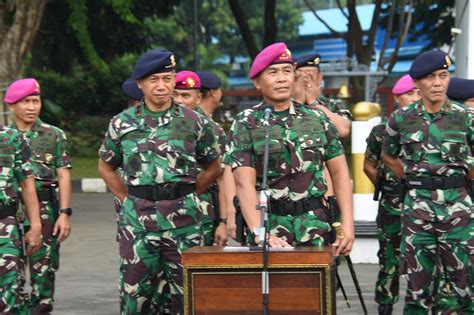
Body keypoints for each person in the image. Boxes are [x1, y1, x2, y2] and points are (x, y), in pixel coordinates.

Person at [98, 49, 221, 314]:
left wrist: (191, 192)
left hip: (184, 223)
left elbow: (213, 165)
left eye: (167, 78)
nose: (161, 86)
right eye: (153, 80)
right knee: (136, 297)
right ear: (140, 84)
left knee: (187, 296)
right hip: (138, 223)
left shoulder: (194, 122)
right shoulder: (122, 123)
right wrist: (126, 198)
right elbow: (106, 166)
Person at [224, 42, 354, 254]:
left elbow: (339, 172)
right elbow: (243, 183)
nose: (282, 78)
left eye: (287, 71)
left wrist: (347, 226)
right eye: (273, 72)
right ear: (257, 82)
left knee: (319, 286)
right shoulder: (246, 123)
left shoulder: (318, 118)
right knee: (274, 287)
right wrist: (259, 230)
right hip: (271, 224)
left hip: (316, 225)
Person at [383, 50, 473, 314]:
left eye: (443, 76)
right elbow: (388, 155)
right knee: (418, 289)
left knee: (465, 286)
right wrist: (412, 178)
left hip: (459, 212)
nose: (437, 83)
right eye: (431, 77)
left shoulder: (466, 117)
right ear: (418, 84)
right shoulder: (401, 119)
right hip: (417, 212)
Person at [6, 78, 72, 314]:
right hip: (12, 213)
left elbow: (63, 175)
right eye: (26, 102)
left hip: (44, 210)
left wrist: (64, 213)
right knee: (10, 277)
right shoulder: (4, 137)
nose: (32, 107)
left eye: (36, 101)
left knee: (43, 275)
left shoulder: (53, 135)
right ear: (12, 106)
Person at [363, 74, 420, 315]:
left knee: (422, 257)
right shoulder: (381, 131)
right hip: (392, 204)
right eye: (410, 93)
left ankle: (418, 304)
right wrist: (389, 187)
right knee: (390, 259)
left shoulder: (427, 129)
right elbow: (369, 165)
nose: (415, 98)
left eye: (418, 92)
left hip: (422, 204)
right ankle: (385, 305)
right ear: (397, 98)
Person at [1, 79, 42, 313]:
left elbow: (27, 184)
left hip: (5, 228)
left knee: (9, 293)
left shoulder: (11, 139)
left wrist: (35, 224)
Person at [172, 70, 227, 246]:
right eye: (175, 95)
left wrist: (224, 222)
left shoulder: (212, 129)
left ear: (198, 98)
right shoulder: (158, 128)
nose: (179, 100)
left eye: (185, 95)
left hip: (202, 216)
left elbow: (222, 178)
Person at [293, 53, 352, 197]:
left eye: (311, 76)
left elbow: (343, 130)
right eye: (301, 77)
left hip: (331, 182)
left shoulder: (333, 106)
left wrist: (314, 103)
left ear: (320, 78)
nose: (306, 82)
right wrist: (299, 100)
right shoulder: (285, 109)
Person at [197, 71, 238, 240]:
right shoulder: (211, 128)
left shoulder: (185, 122)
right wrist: (224, 220)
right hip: (205, 212)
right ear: (214, 93)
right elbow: (222, 177)